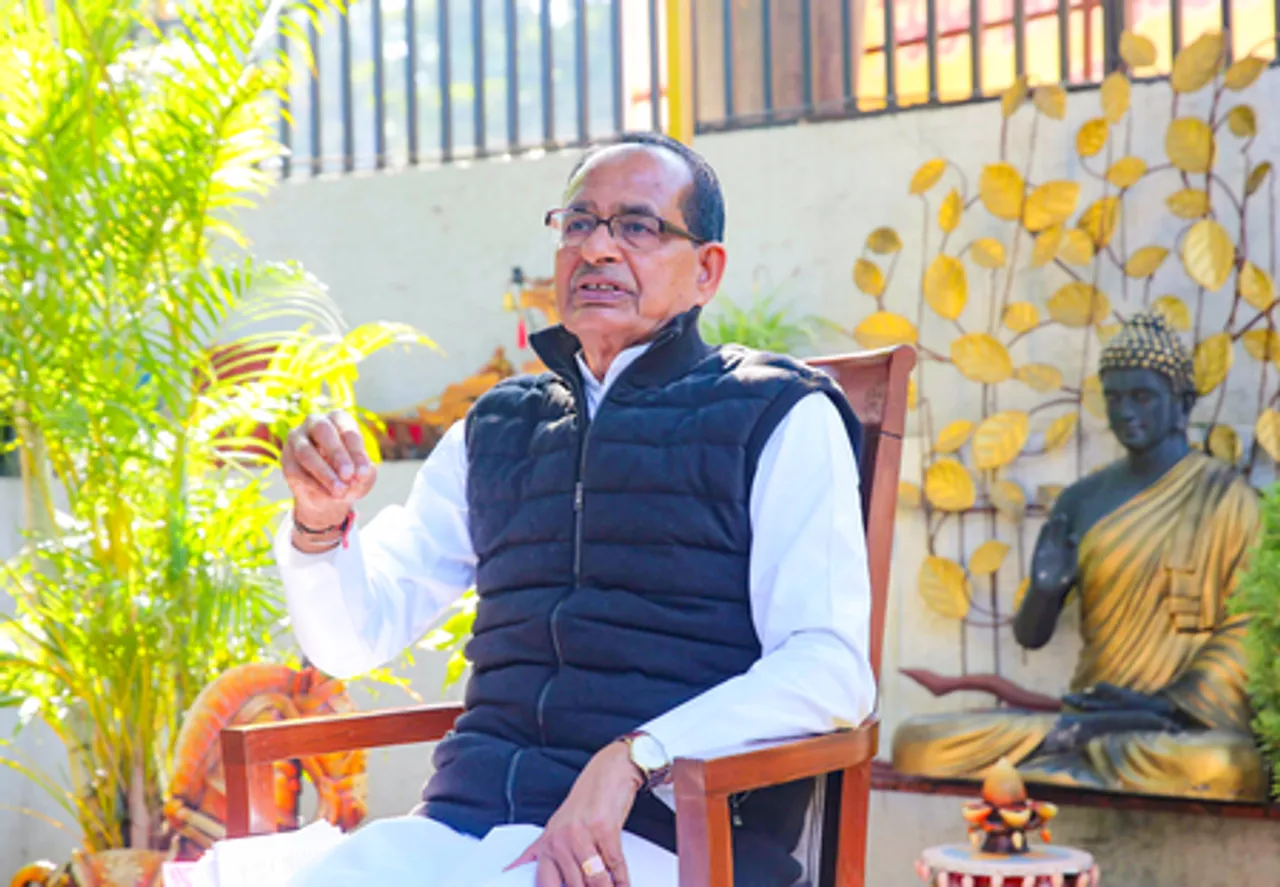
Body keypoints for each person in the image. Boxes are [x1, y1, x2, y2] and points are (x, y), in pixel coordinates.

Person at [275, 132, 875, 887]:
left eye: (637, 226)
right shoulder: (496, 428)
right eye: (579, 223)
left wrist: (637, 757)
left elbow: (829, 668)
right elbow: (352, 637)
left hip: (659, 841)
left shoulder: (776, 414)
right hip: (464, 829)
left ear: (706, 271)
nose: (597, 248)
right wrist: (319, 524)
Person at [892, 313, 1265, 802]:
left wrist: (1168, 705)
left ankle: (1078, 744)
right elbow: (1031, 634)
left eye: (1143, 397)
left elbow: (1249, 628)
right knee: (918, 741)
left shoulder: (1227, 498)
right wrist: (1046, 588)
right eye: (1114, 398)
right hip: (1089, 713)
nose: (1127, 412)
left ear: (1182, 402)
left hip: (1174, 726)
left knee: (1225, 765)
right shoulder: (1081, 500)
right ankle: (1076, 740)